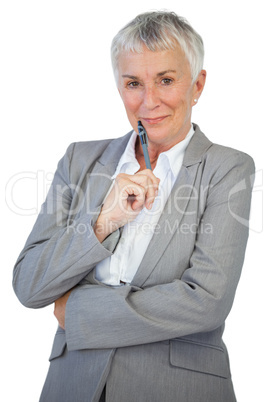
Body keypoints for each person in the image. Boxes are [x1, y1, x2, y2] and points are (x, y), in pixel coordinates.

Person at [13, 11, 254, 402]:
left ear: (197, 85)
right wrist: (101, 223)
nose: (149, 101)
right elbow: (29, 285)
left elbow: (206, 300)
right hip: (73, 387)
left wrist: (76, 310)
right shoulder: (80, 160)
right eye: (133, 83)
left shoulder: (228, 168)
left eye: (166, 80)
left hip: (178, 389)